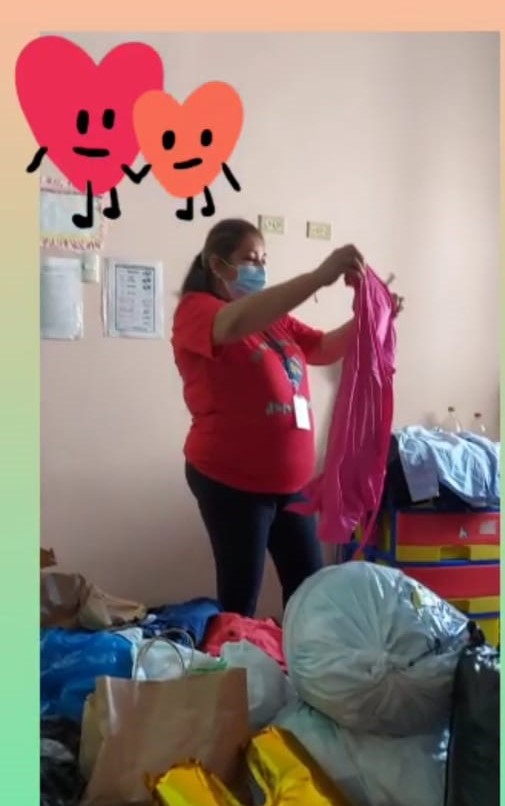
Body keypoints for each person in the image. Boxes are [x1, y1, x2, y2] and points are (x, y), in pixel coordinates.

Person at [172, 218, 400, 617]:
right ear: (217, 264)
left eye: (263, 259)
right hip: (232, 482)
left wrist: (375, 315)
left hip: (291, 485)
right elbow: (233, 324)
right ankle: (236, 657)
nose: (259, 268)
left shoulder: (273, 318)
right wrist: (319, 277)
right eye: (249, 259)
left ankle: (296, 657)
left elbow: (324, 348)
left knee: (310, 594)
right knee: (240, 599)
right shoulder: (198, 310)